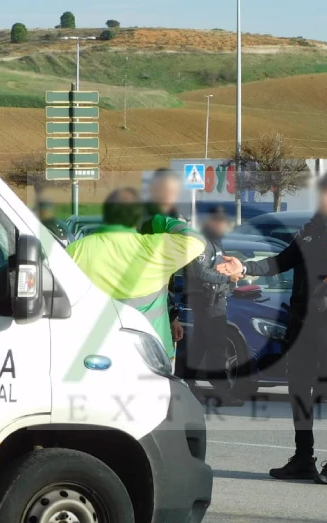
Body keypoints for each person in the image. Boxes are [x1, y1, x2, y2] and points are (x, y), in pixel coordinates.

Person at [219, 172, 327, 485]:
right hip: (300, 321)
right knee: (298, 389)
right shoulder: (310, 230)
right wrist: (245, 268)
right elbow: (280, 262)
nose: (325, 198)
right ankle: (303, 459)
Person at [67, 188, 205, 360]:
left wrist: (172, 319)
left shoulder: (76, 249)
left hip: (97, 351)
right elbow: (196, 241)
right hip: (151, 354)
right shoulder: (153, 248)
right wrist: (162, 219)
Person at [185, 206, 242, 406]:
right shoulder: (202, 244)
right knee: (217, 347)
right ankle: (221, 390)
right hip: (208, 300)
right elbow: (200, 273)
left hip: (214, 299)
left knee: (199, 346)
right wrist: (227, 277)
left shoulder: (215, 243)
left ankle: (188, 384)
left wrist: (231, 273)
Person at [140, 168, 187, 347]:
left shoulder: (168, 215)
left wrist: (173, 318)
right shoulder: (152, 218)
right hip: (142, 305)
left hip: (158, 308)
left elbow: (169, 277)